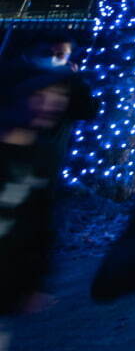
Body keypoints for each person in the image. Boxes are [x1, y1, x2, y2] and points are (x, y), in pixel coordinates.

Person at [0, 68, 74, 341]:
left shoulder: (42, 155)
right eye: (39, 95)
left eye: (58, 95)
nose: (50, 103)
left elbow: (40, 221)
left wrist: (35, 282)